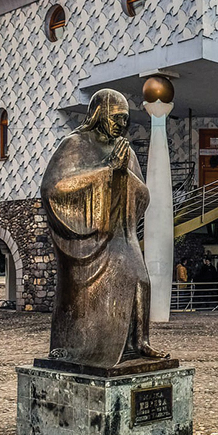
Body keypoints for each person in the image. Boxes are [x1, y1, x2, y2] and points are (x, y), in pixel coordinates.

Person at [41, 89, 166, 368]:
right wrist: (108, 171)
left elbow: (143, 194)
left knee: (140, 278)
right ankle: (82, 345)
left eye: (125, 119)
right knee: (89, 297)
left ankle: (139, 342)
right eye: (116, 118)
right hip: (90, 238)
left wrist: (122, 174)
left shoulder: (125, 150)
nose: (121, 125)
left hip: (121, 233)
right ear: (99, 115)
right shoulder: (74, 144)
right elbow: (55, 188)